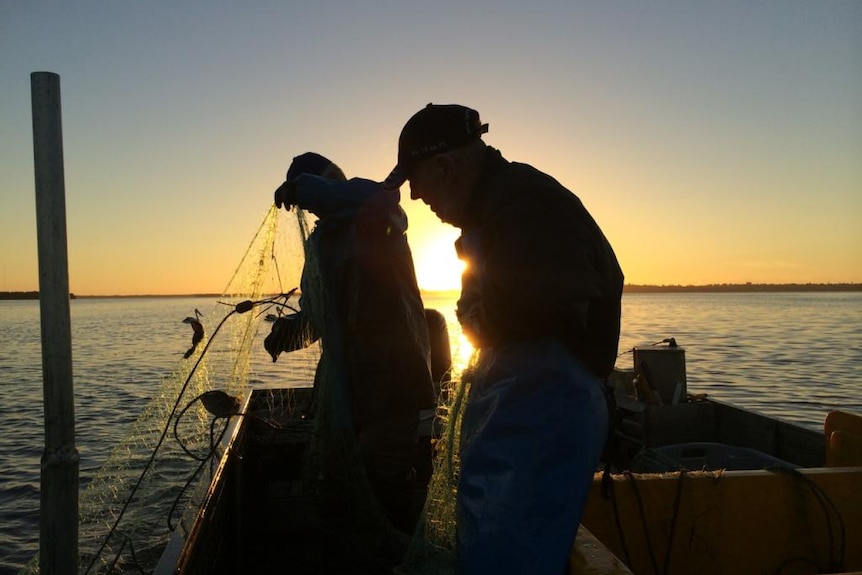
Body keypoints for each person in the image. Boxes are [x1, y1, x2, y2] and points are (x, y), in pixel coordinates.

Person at [384, 104, 624, 574]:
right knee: (488, 542)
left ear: (445, 166)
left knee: (513, 556)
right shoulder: (496, 209)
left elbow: (557, 299)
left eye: (416, 179)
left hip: (548, 412)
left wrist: (478, 316)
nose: (415, 195)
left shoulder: (529, 205)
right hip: (516, 409)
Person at [265, 152, 436, 536]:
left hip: (392, 376)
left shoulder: (376, 218)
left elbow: (380, 196)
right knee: (349, 470)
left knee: (387, 468)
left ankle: (399, 550)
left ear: (328, 182)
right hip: (348, 384)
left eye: (314, 187)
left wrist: (307, 187)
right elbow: (318, 316)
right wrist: (286, 334)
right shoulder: (322, 243)